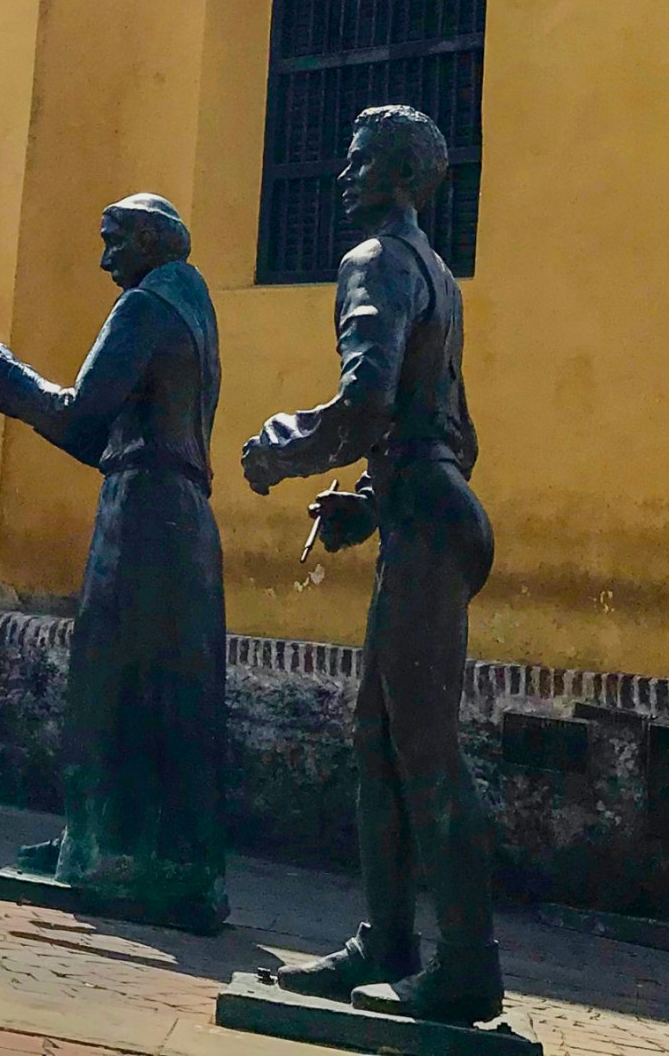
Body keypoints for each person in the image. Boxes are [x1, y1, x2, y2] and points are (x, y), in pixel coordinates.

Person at [242, 105, 502, 1027]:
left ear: (396, 175)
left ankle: (466, 963)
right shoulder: (437, 272)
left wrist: (281, 446)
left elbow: (364, 400)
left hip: (427, 522)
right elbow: (444, 429)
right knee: (379, 741)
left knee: (423, 749)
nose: (340, 177)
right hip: (429, 510)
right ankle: (385, 939)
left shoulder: (378, 262)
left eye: (356, 163)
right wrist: (369, 500)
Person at [0, 193, 227, 932]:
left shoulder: (145, 309)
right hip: (169, 507)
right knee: (152, 685)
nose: (103, 258)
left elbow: (86, 410)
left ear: (149, 242)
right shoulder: (191, 311)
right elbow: (102, 440)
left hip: (143, 514)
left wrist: (17, 384)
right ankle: (104, 838)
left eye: (113, 240)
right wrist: (23, 404)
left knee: (116, 678)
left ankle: (113, 854)